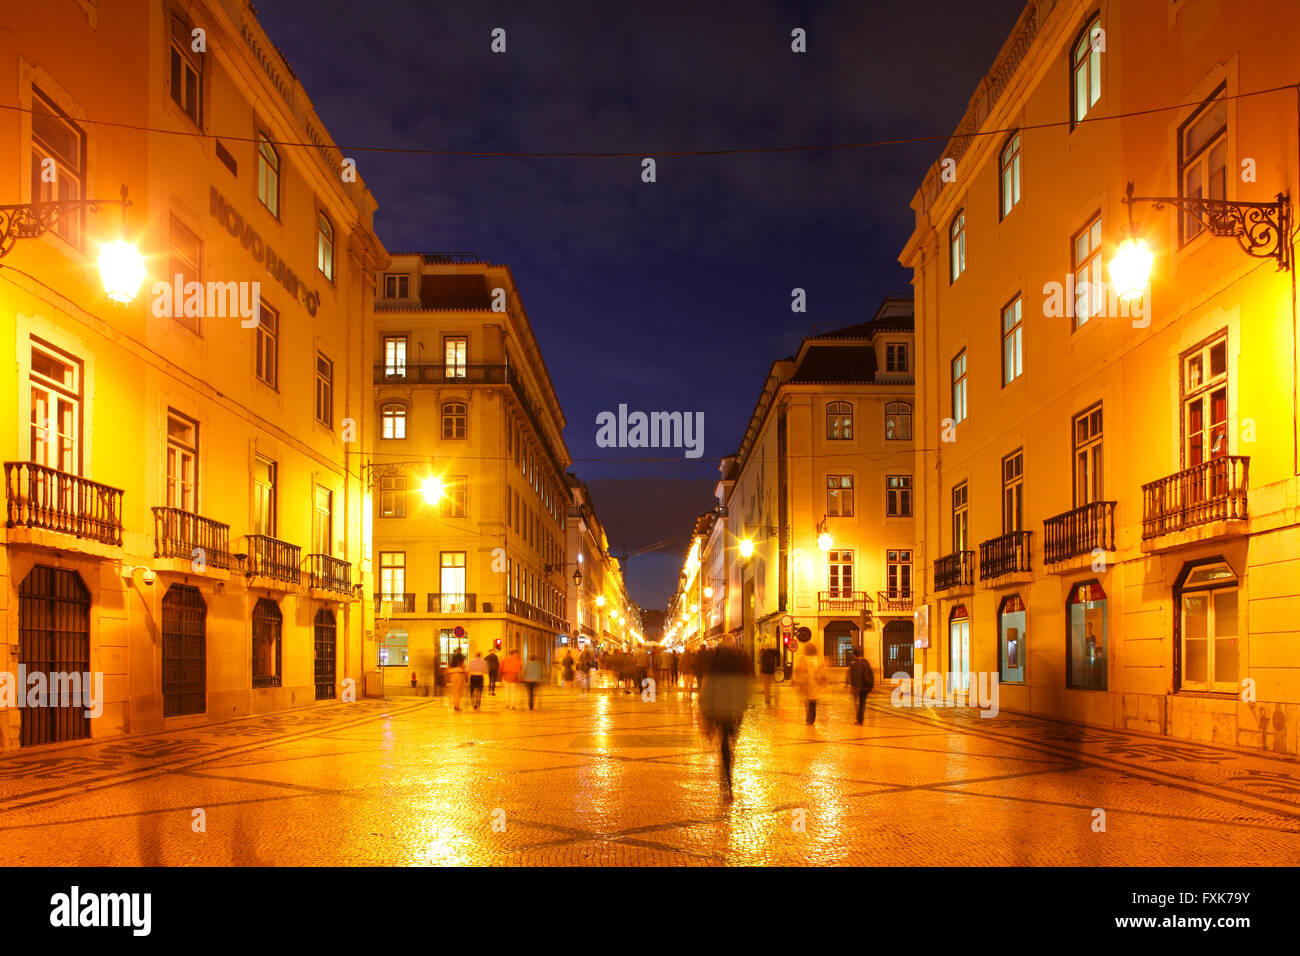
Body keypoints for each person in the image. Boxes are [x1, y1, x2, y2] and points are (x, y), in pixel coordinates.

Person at [698, 644, 750, 801]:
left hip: (717, 712)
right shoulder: (737, 674)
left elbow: (705, 696)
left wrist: (706, 718)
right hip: (732, 713)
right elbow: (744, 693)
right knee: (729, 741)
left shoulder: (711, 673)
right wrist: (740, 710)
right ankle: (727, 771)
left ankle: (726, 771)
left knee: (724, 743)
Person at [792, 633, 825, 725]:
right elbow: (822, 673)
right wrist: (822, 683)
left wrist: (796, 681)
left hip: (806, 685)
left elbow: (798, 671)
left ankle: (809, 719)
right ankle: (811, 719)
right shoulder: (818, 660)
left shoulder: (803, 659)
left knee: (807, 703)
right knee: (813, 704)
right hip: (815, 685)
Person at [847, 650, 875, 725]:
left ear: (854, 655)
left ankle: (859, 720)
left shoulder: (854, 663)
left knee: (857, 703)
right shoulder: (866, 662)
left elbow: (854, 675)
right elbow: (871, 674)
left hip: (859, 686)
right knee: (862, 703)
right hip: (866, 686)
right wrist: (871, 685)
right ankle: (860, 719)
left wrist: (853, 687)